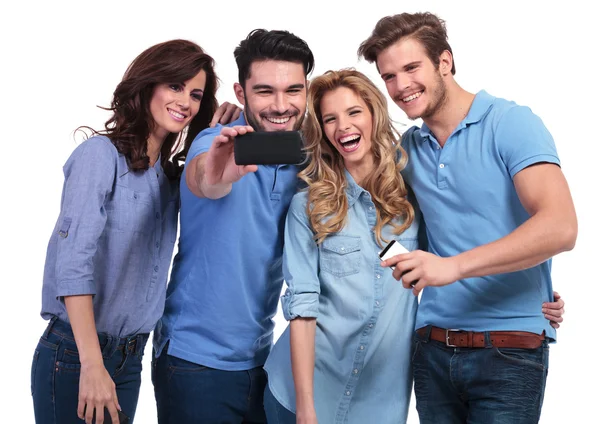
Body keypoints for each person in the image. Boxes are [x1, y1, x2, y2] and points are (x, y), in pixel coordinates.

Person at [358, 12, 576, 423]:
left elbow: (561, 226)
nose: (401, 86)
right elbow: (379, 223)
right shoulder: (410, 148)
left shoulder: (510, 123)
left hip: (509, 350)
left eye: (411, 68)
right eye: (389, 76)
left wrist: (452, 268)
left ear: (444, 61)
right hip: (431, 350)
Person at [31, 39, 240, 424]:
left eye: (195, 94)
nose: (185, 102)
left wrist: (232, 122)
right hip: (78, 353)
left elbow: (210, 182)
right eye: (175, 86)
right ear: (148, 85)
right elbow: (73, 262)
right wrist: (92, 365)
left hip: (131, 355)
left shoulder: (168, 177)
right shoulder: (100, 156)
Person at [151, 29, 315, 423]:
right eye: (264, 91)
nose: (281, 105)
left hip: (262, 362)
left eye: (293, 90)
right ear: (241, 94)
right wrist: (216, 173)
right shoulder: (215, 141)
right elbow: (204, 179)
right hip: (194, 363)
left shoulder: (307, 155)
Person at [263, 68, 421, 424]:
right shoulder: (309, 207)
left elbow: (455, 256)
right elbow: (302, 308)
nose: (342, 126)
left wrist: (527, 290)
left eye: (353, 112)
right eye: (329, 119)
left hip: (380, 405)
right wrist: (306, 410)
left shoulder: (412, 198)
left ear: (374, 115)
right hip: (301, 397)